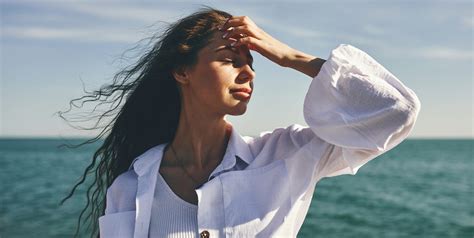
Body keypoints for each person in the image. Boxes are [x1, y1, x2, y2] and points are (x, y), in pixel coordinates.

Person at [60, 7, 420, 238]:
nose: (248, 71)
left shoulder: (287, 157)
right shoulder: (131, 187)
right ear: (182, 71)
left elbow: (396, 110)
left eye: (254, 62)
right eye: (231, 59)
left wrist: (289, 56)